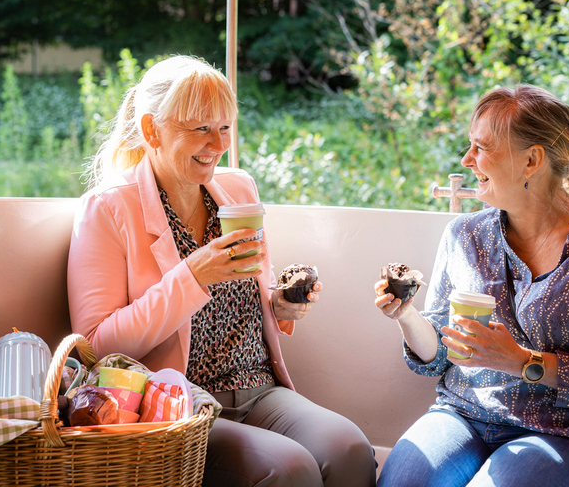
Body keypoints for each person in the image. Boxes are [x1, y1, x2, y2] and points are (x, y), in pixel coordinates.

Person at [68, 55, 376, 487]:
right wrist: (193, 276)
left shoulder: (237, 188)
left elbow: (252, 295)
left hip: (259, 387)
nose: (218, 143)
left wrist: (281, 305)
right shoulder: (107, 209)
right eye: (200, 128)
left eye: (225, 127)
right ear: (152, 129)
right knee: (290, 469)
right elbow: (95, 347)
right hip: (180, 402)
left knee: (351, 450)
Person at [374, 84, 569, 487]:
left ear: (532, 160)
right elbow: (438, 355)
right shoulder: (464, 235)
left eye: (481, 148)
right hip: (463, 415)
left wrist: (522, 361)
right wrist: (406, 316)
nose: (467, 159)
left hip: (563, 436)